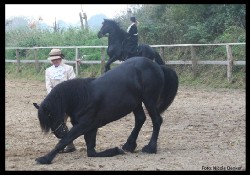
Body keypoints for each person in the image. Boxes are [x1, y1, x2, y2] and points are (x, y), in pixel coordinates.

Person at [45, 48, 76, 153]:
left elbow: (73, 83)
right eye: (53, 60)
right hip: (55, 101)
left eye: (57, 59)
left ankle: (67, 144)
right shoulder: (48, 71)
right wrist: (52, 97)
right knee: (60, 124)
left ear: (61, 58)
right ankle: (69, 144)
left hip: (68, 100)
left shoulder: (69, 69)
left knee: (65, 122)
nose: (55, 61)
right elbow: (48, 85)